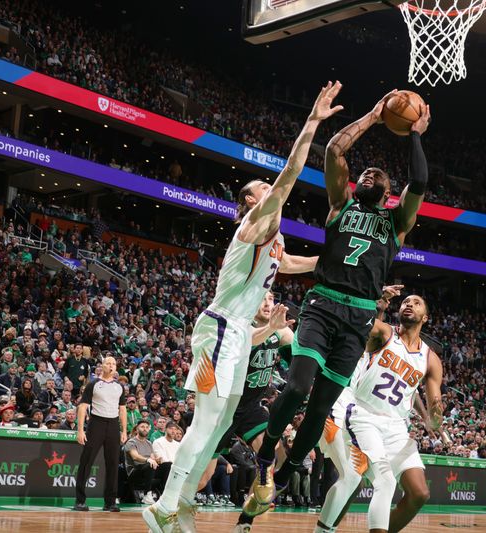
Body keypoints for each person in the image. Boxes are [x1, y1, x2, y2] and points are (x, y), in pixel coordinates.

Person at [142, 81, 343, 533]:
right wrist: (311, 123)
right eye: (263, 187)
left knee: (220, 427)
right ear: (250, 202)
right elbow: (290, 176)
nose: (271, 188)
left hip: (235, 335)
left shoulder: (274, 242)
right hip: (217, 327)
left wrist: (338, 260)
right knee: (208, 420)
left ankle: (184, 504)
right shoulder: (253, 224)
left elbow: (293, 262)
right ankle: (163, 505)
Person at [247, 88, 431, 522]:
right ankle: (268, 452)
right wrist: (372, 115)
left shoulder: (396, 222)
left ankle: (291, 469)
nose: (368, 174)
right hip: (323, 305)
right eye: (363, 172)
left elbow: (419, 184)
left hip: (358, 318)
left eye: (377, 175)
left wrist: (416, 136)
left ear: (388, 192)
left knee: (318, 406)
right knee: (295, 387)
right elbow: (333, 149)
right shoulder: (340, 203)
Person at [314, 294, 442, 533]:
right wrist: (376, 304)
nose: (408, 305)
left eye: (416, 303)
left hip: (396, 425)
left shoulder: (430, 359)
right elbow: (359, 324)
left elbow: (432, 410)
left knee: (419, 493)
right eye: (405, 302)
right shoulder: (384, 333)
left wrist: (434, 417)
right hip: (364, 413)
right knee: (380, 481)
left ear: (425, 317)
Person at [197, 292, 293, 505]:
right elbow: (250, 340)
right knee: (203, 478)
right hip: (226, 408)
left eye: (271, 298)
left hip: (251, 407)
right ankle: (170, 505)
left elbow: (299, 356)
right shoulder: (241, 325)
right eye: (262, 298)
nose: (268, 303)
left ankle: (251, 507)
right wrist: (274, 328)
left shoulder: (281, 332)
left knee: (271, 454)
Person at [73, 356, 127, 512]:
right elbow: (83, 407)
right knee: (87, 461)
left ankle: (110, 502)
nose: (111, 366)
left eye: (114, 364)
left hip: (113, 425)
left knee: (112, 464)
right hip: (96, 423)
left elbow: (122, 409)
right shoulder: (93, 384)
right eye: (108, 363)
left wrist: (123, 430)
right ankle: (80, 500)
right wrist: (80, 430)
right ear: (102, 366)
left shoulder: (119, 386)